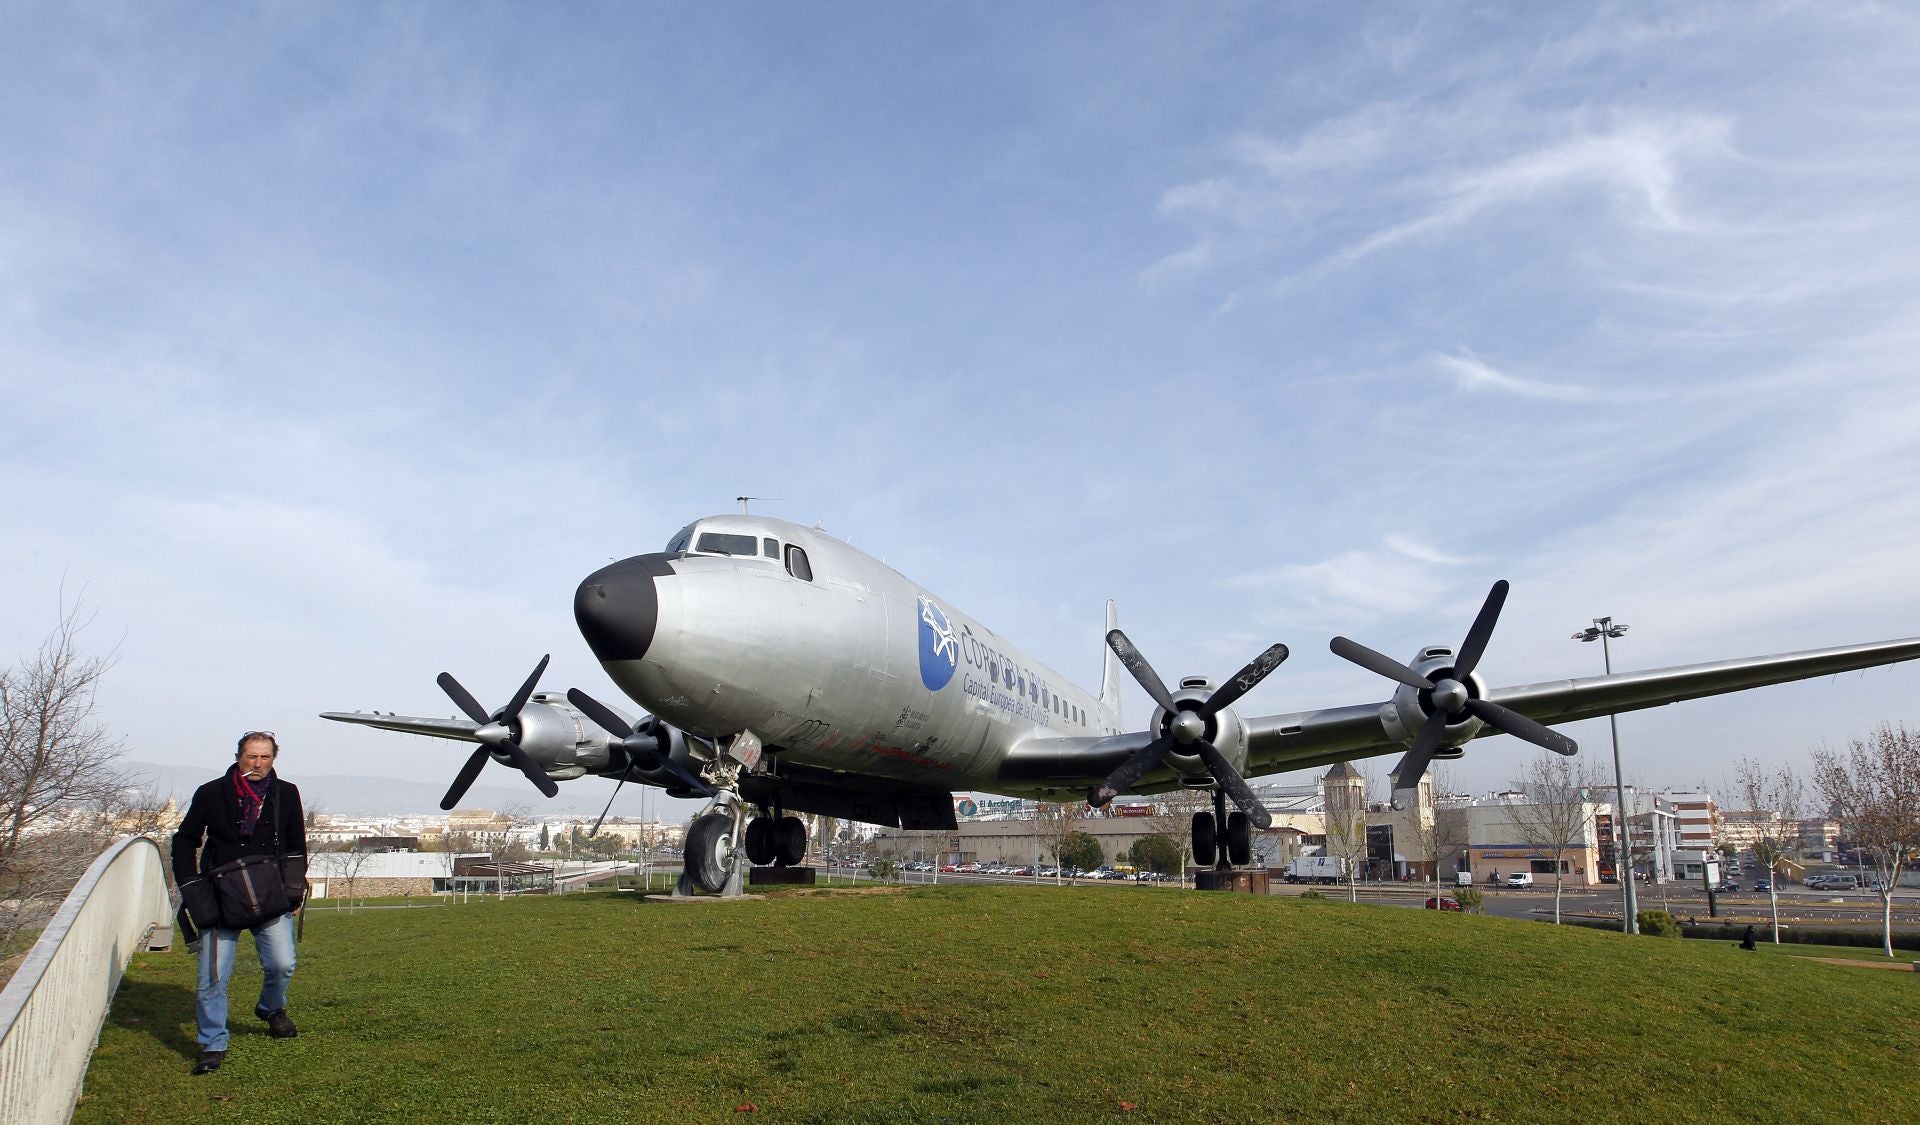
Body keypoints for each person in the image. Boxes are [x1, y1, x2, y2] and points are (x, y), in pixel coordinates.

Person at [171, 731, 308, 1075]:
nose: (257, 764)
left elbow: (295, 844)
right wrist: (190, 885)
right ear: (238, 757)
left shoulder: (286, 793)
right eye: (251, 756)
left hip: (270, 892)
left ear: (274, 758)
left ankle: (271, 1008)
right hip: (220, 894)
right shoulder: (211, 793)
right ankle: (213, 1042)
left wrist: (293, 889)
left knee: (282, 963)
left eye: (264, 757)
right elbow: (185, 840)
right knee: (212, 976)